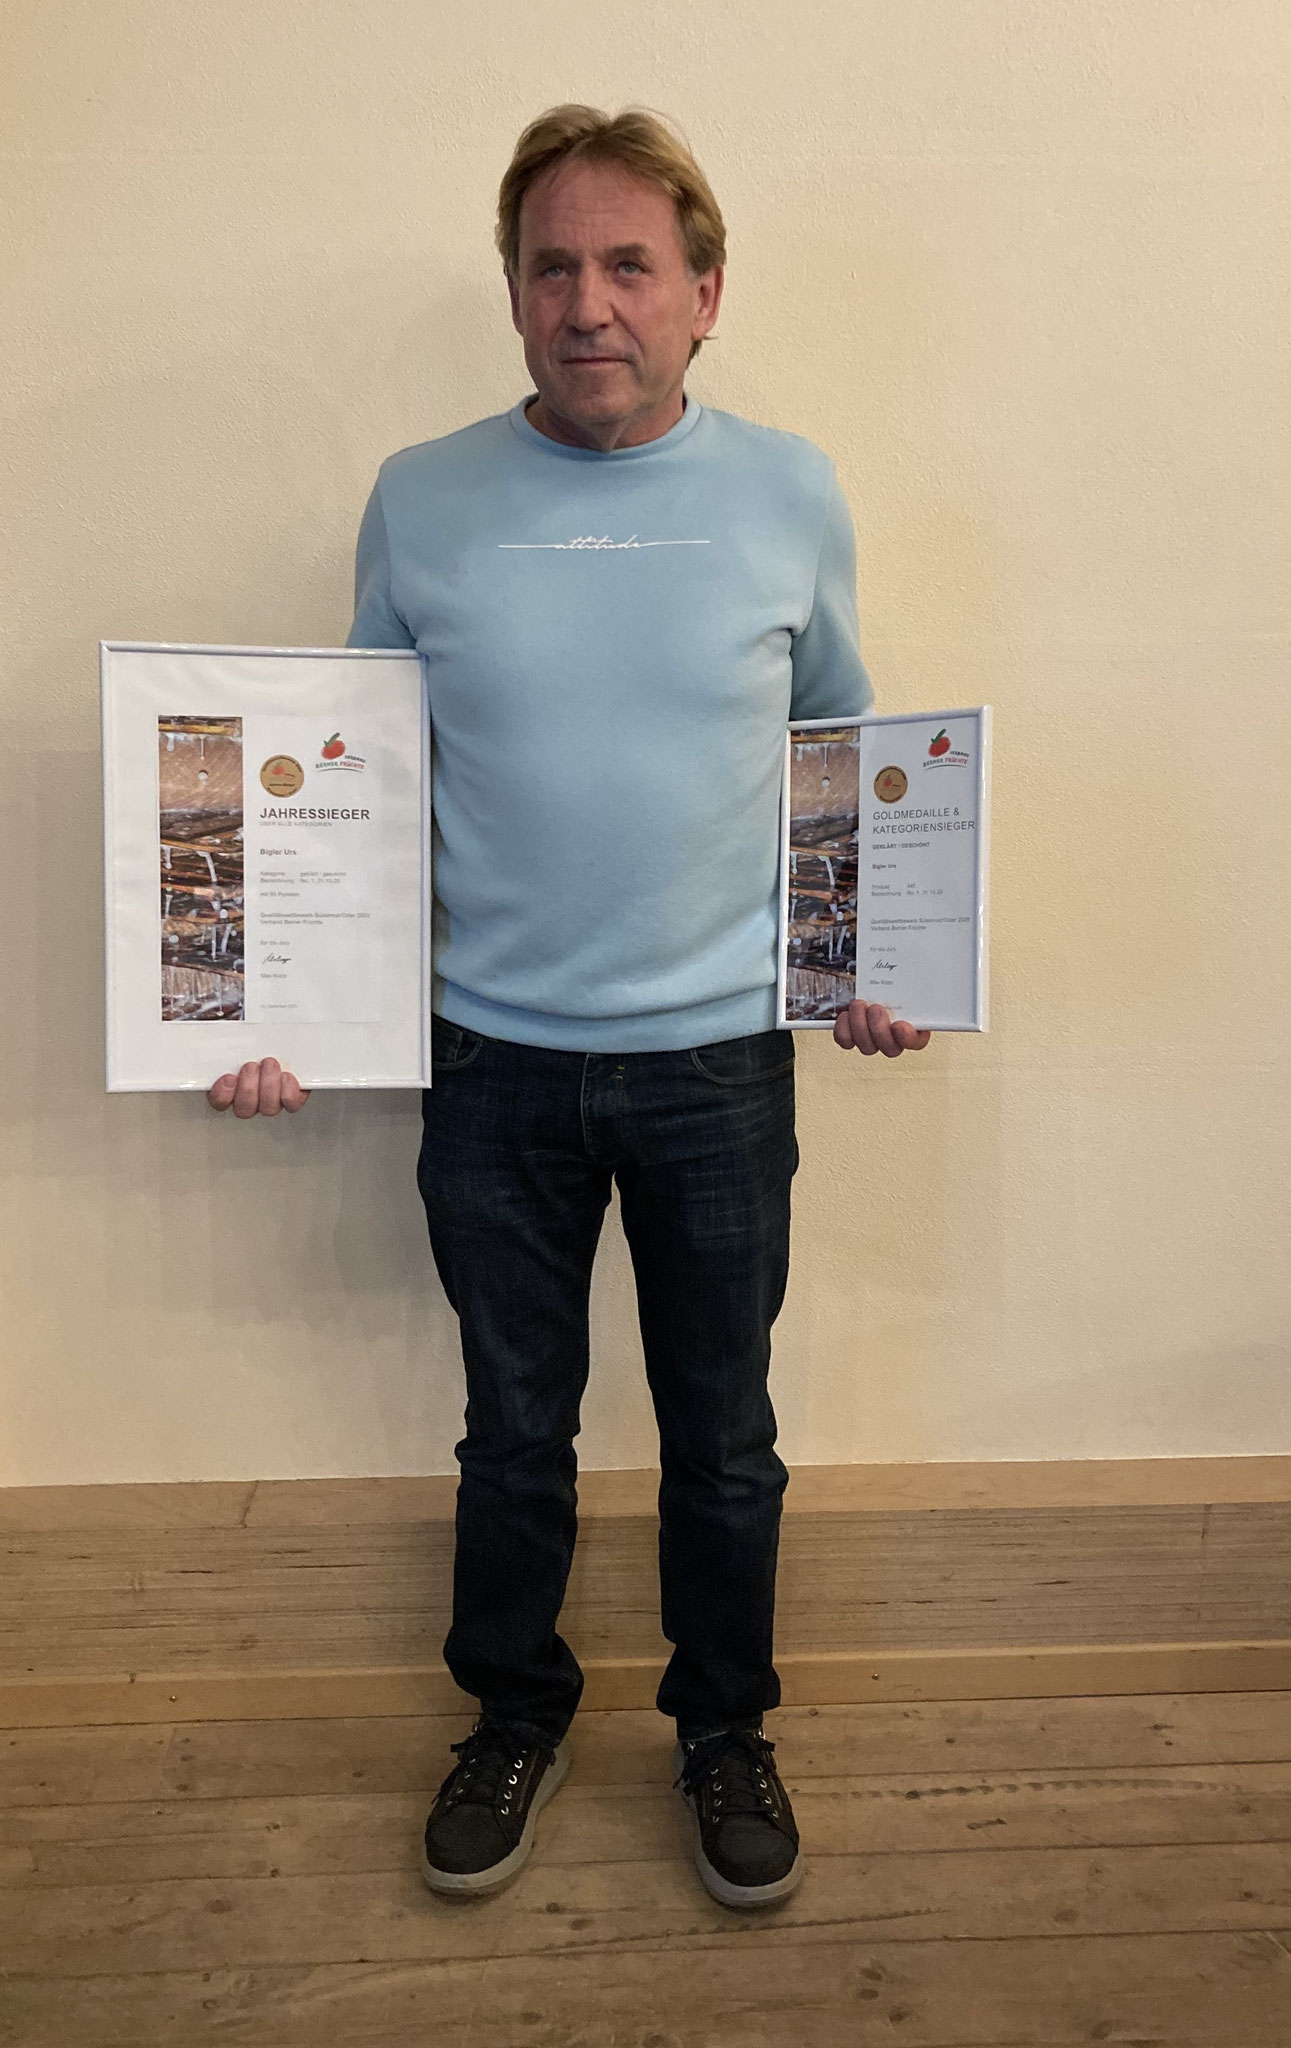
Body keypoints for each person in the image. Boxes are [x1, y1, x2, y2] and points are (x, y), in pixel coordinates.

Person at [208, 104, 931, 1910]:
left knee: (723, 1438)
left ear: (705, 293)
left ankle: (723, 1727)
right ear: (515, 293)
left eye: (628, 265)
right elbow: (341, 788)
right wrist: (269, 998)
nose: (587, 302)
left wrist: (874, 961)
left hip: (718, 1065)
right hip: (493, 1062)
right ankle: (514, 1713)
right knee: (512, 1432)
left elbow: (840, 753)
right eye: (552, 267)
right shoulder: (422, 495)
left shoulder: (792, 493)